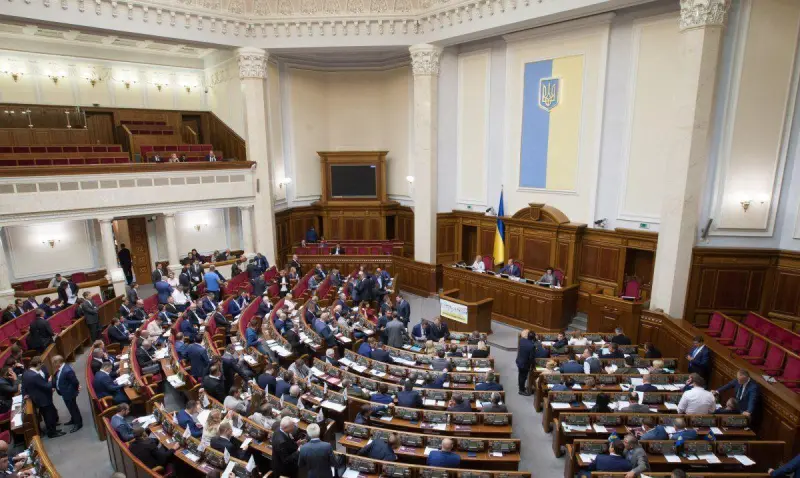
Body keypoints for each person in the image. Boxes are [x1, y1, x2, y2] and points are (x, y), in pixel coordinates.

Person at [22, 357, 62, 438]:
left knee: (49, 415)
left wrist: (25, 394)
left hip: (38, 399)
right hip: (44, 399)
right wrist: (50, 381)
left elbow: (24, 386)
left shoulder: (26, 373)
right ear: (38, 364)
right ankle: (52, 433)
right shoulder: (35, 376)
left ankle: (53, 430)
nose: (42, 365)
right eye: (41, 364)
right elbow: (47, 386)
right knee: (49, 416)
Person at [51, 355, 82, 433]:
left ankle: (78, 423)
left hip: (69, 393)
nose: (53, 364)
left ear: (58, 362)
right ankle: (73, 419)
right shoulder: (60, 369)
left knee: (73, 408)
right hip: (65, 393)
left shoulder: (67, 370)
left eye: (53, 363)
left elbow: (75, 382)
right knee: (70, 407)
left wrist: (74, 390)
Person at [516, 330, 534, 395]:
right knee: (523, 377)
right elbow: (531, 358)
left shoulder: (522, 340)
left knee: (520, 375)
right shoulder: (531, 346)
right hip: (524, 364)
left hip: (519, 361)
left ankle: (521, 386)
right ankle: (521, 390)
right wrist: (531, 364)